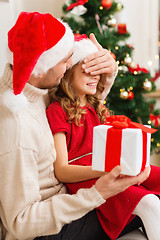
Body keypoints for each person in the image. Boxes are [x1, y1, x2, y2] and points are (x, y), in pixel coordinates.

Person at [0, 11, 150, 240]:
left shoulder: (38, 89)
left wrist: (107, 72)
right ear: (42, 66)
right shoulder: (16, 127)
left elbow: (78, 103)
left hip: (68, 199)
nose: (71, 65)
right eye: (65, 60)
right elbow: (21, 223)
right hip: (43, 231)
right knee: (145, 206)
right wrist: (96, 194)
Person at [47, 35, 160, 240]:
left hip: (109, 167)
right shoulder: (58, 110)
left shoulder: (94, 105)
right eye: (88, 71)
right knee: (149, 204)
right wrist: (106, 170)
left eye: (98, 72)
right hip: (89, 177)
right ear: (69, 71)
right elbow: (62, 170)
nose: (96, 77)